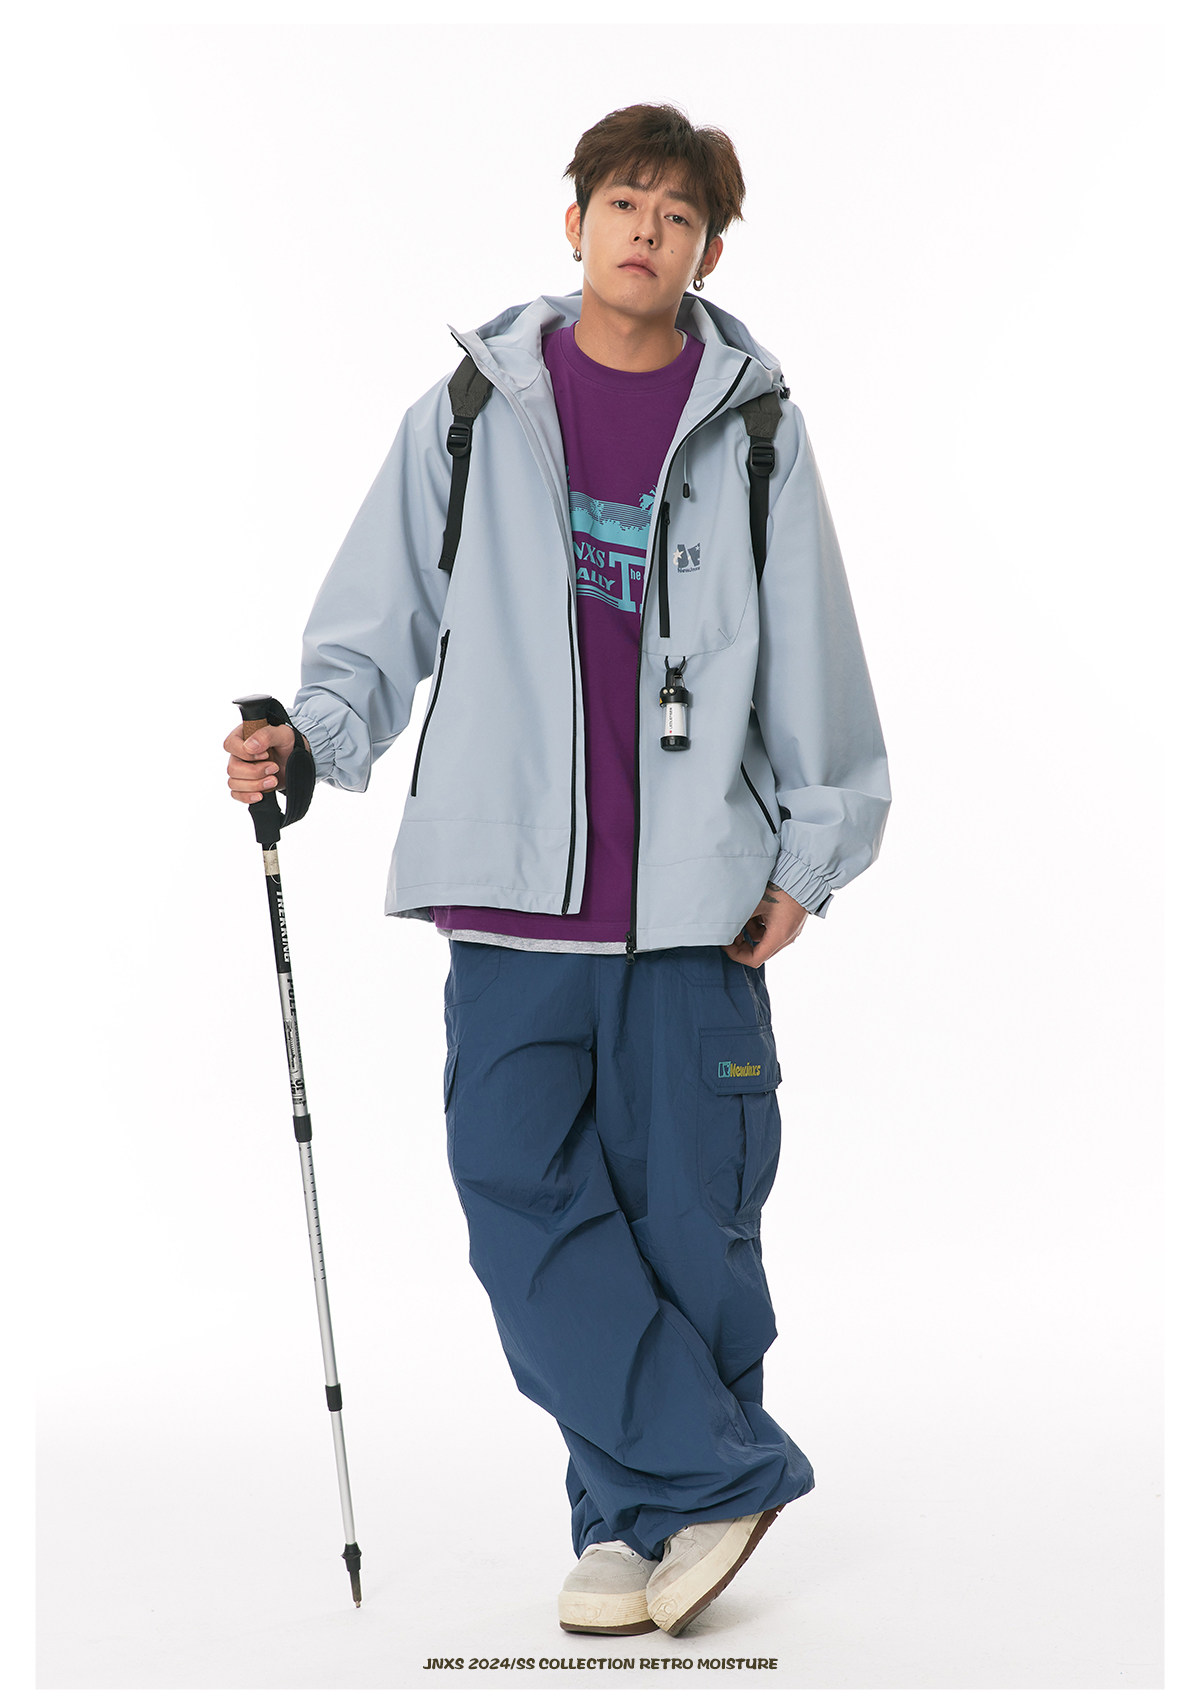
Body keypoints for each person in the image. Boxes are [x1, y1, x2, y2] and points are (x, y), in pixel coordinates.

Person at [224, 102, 891, 1638]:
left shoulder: (758, 431)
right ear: (575, 221)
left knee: (690, 1219)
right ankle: (708, 1480)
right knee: (516, 1193)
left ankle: (632, 1522)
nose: (647, 229)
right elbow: (375, 623)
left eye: (679, 213)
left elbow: (816, 655)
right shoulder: (473, 407)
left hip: (694, 907)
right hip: (511, 900)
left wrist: (813, 849)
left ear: (709, 253)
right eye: (624, 201)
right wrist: (307, 743)